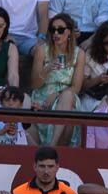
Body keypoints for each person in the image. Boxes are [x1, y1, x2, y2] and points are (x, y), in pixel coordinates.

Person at [30, 12, 83, 146]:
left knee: (68, 97)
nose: (56, 34)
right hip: (43, 95)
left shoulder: (79, 54)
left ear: (69, 32)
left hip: (66, 94)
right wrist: (47, 69)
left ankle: (52, 145)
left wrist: (57, 95)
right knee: (68, 114)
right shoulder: (42, 50)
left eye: (60, 30)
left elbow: (76, 86)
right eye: (53, 30)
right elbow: (34, 84)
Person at [12, 145, 77, 194]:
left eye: (50, 166)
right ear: (35, 167)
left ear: (57, 167)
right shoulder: (18, 193)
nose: (46, 171)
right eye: (42, 166)